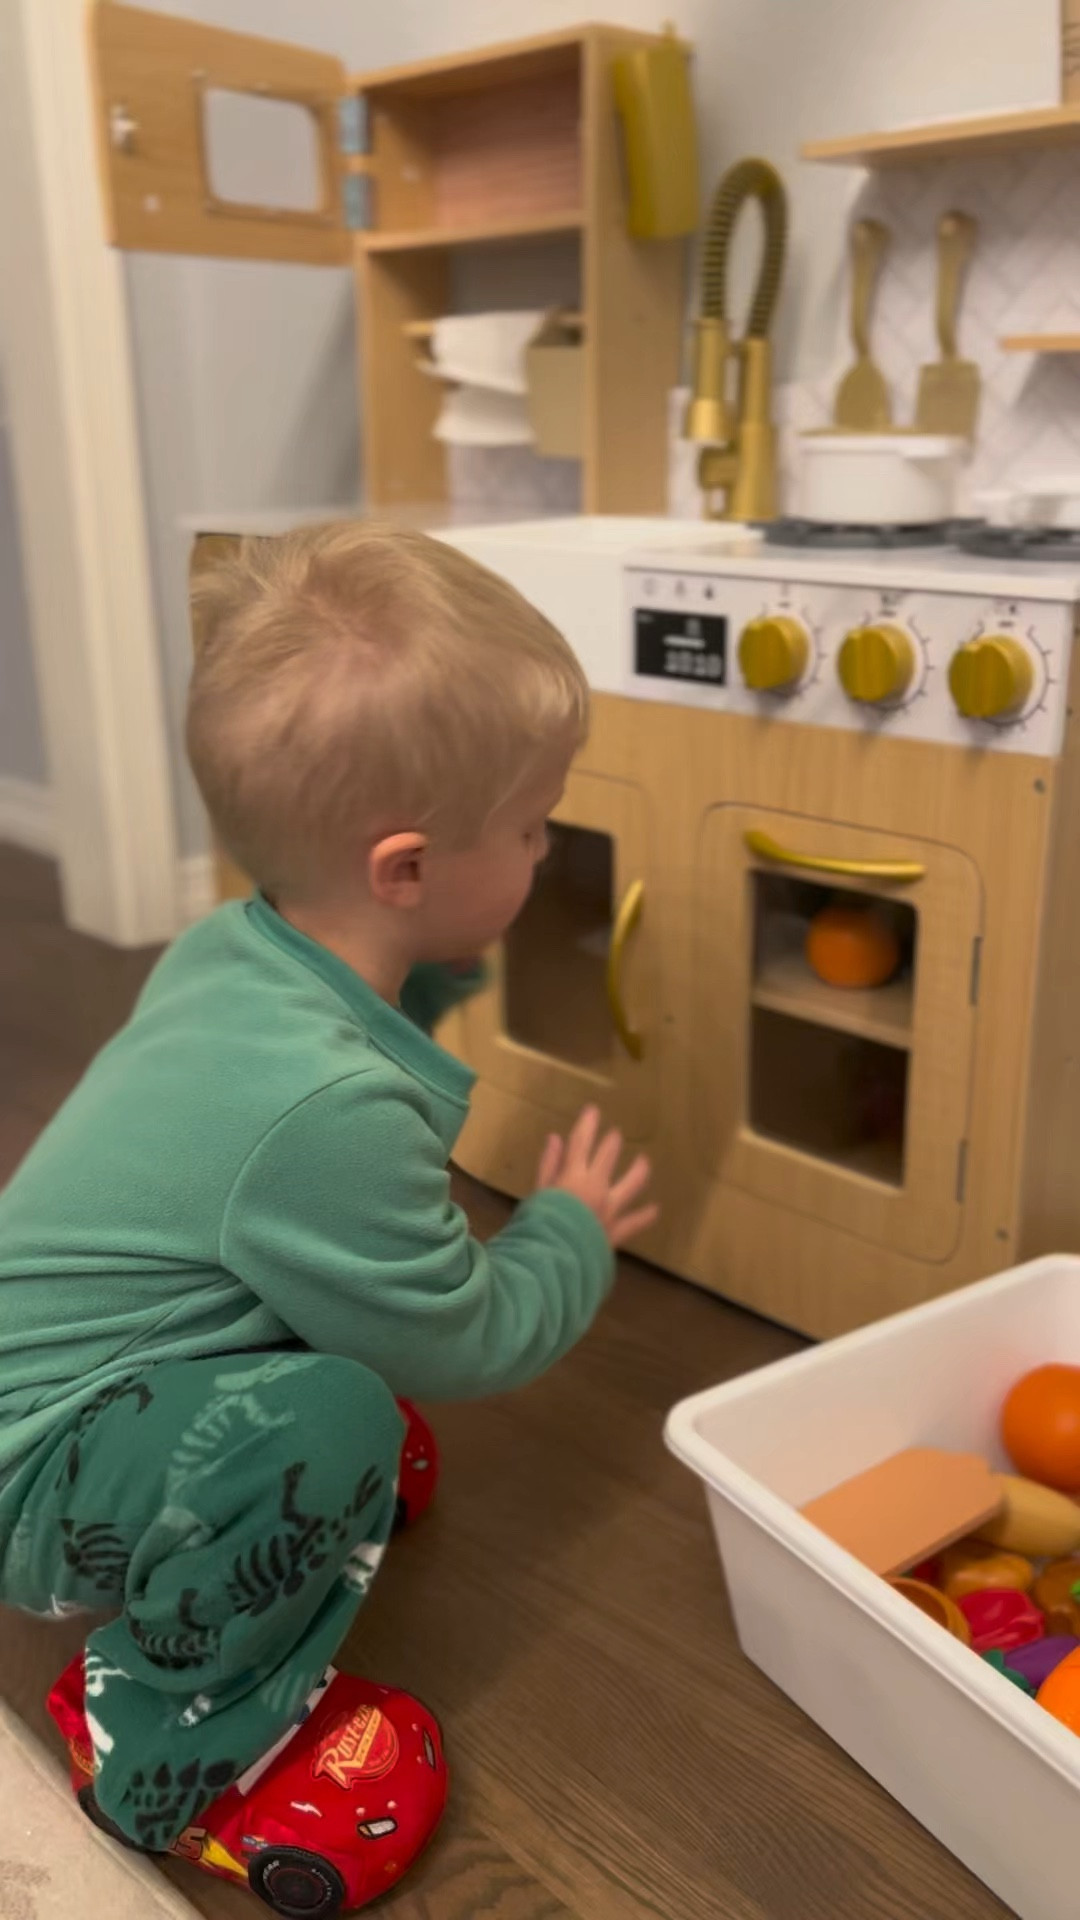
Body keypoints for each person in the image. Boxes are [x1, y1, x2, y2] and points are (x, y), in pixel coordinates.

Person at [0, 522, 656, 1870]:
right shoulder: (330, 1113)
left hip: (57, 1394)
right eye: (532, 827)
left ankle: (234, 1495)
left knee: (313, 1367)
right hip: (31, 1479)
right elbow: (463, 1337)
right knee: (343, 1411)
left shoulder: (233, 952)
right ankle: (165, 1733)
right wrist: (568, 1237)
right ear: (406, 871)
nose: (546, 852)